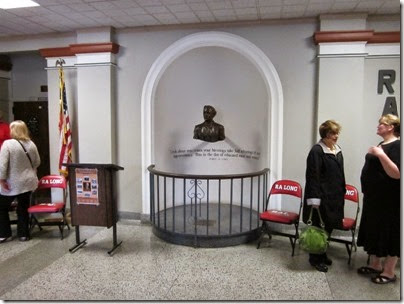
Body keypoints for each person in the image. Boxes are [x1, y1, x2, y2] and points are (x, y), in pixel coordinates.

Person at [356, 114, 400, 284]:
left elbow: (396, 173)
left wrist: (380, 155)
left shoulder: (397, 145)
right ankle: (375, 265)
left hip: (389, 200)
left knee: (389, 233)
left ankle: (389, 272)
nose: (378, 126)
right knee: (374, 229)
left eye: (382, 123)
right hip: (374, 198)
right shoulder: (382, 144)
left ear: (391, 127)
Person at [302, 120, 346, 272]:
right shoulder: (317, 151)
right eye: (333, 133)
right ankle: (315, 259)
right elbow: (313, 176)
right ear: (325, 134)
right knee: (318, 228)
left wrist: (342, 190)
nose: (336, 136)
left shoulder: (337, 149)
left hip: (334, 197)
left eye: (336, 133)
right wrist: (314, 199)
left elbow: (340, 174)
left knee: (328, 228)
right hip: (321, 199)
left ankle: (323, 252)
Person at [0, 120, 40, 243]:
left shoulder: (7, 144)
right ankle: (23, 234)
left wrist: (1, 179)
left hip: (12, 182)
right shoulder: (31, 144)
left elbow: (3, 165)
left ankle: (4, 233)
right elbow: (37, 162)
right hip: (28, 181)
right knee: (23, 208)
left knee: (1, 207)